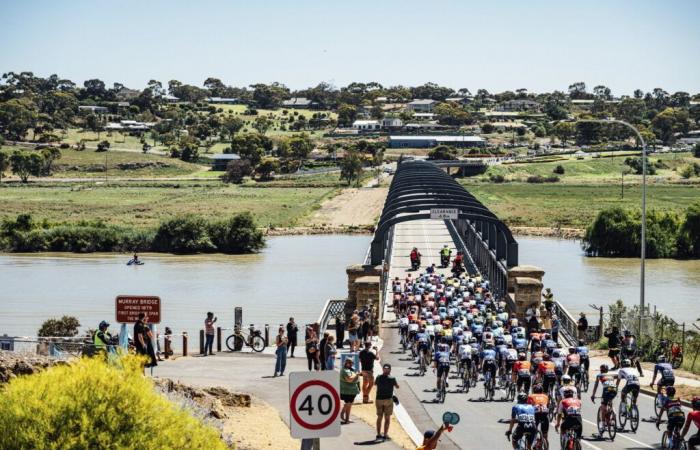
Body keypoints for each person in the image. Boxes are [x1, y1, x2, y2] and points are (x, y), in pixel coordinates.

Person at [375, 363, 399, 441]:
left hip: (379, 399)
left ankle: (378, 434)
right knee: (387, 418)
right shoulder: (392, 378)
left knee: (379, 417)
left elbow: (375, 384)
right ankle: (385, 435)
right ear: (390, 370)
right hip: (388, 399)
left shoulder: (378, 377)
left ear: (383, 369)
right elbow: (397, 387)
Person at [340, 357, 360, 424]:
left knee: (348, 404)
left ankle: (344, 416)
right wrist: (357, 374)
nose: (351, 364)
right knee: (348, 405)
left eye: (351, 363)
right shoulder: (345, 370)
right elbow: (349, 379)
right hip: (347, 391)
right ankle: (346, 419)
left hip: (351, 391)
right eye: (349, 363)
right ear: (346, 363)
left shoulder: (350, 369)